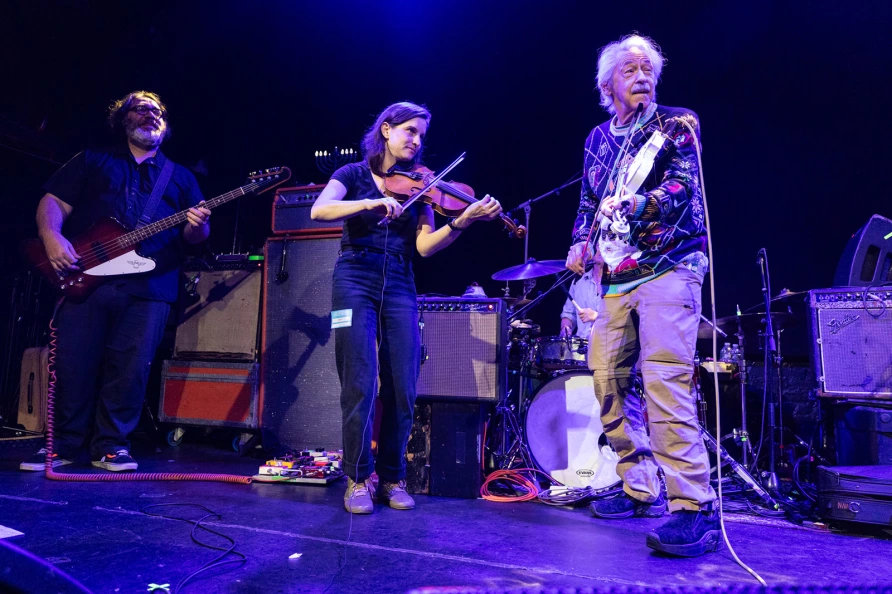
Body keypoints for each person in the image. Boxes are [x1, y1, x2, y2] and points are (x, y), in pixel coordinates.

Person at [565, 35, 720, 556]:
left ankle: (694, 506)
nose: (641, 76)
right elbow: (588, 200)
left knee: (664, 380)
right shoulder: (596, 139)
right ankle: (640, 485)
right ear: (607, 84)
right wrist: (579, 242)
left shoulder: (677, 124)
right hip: (616, 274)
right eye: (629, 69)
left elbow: (682, 188)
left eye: (647, 68)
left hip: (671, 264)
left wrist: (637, 205)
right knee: (606, 378)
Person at [311, 102, 502, 514]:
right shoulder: (352, 175)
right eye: (409, 131)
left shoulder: (421, 185)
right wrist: (368, 203)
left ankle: (392, 477)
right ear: (386, 130)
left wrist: (462, 221)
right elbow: (319, 209)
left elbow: (425, 246)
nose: (416, 140)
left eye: (421, 135)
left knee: (403, 383)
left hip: (400, 280)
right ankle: (358, 478)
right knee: (359, 381)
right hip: (354, 276)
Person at [20, 91, 210, 473]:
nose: (151, 114)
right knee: (73, 366)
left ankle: (111, 446)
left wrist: (198, 226)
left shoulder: (181, 177)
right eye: (141, 108)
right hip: (85, 279)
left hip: (150, 288)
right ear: (124, 118)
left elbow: (196, 239)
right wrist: (52, 237)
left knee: (131, 370)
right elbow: (52, 202)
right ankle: (62, 445)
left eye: (158, 111)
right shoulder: (94, 159)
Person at [559, 270, 600, 340]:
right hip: (582, 343)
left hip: (608, 343)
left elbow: (620, 317)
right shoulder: (578, 280)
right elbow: (569, 314)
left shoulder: (617, 281)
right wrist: (566, 327)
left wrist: (597, 316)